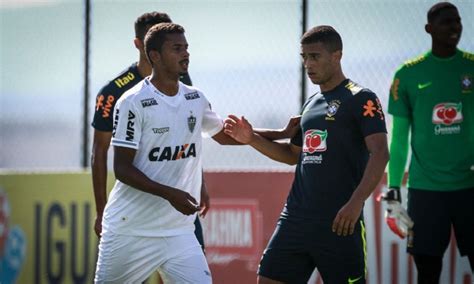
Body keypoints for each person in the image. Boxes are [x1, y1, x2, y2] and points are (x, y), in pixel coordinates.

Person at [93, 22, 297, 283]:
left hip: (178, 232)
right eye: (177, 48)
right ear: (154, 56)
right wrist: (169, 193)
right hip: (131, 230)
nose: (185, 54)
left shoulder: (195, 98)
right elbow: (122, 168)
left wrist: (281, 132)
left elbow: (225, 136)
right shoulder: (132, 102)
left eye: (186, 47)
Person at [224, 25, 389, 284]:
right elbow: (292, 156)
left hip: (340, 221)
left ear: (336, 56)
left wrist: (356, 202)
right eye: (304, 57)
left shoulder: (362, 98)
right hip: (296, 219)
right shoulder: (311, 103)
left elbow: (380, 153)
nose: (308, 64)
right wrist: (251, 139)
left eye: (315, 56)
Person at [90, 11, 208, 250]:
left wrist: (200, 183)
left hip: (179, 202)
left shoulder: (182, 79)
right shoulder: (114, 92)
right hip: (137, 207)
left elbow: (188, 134)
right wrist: (101, 211)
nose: (179, 53)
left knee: (187, 268)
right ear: (141, 45)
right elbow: (99, 152)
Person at [383, 2, 474, 283]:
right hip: (425, 191)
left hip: (469, 187)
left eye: (457, 21)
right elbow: (398, 139)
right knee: (428, 271)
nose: (454, 27)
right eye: (446, 22)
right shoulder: (407, 75)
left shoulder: (470, 67)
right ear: (429, 29)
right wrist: (393, 190)